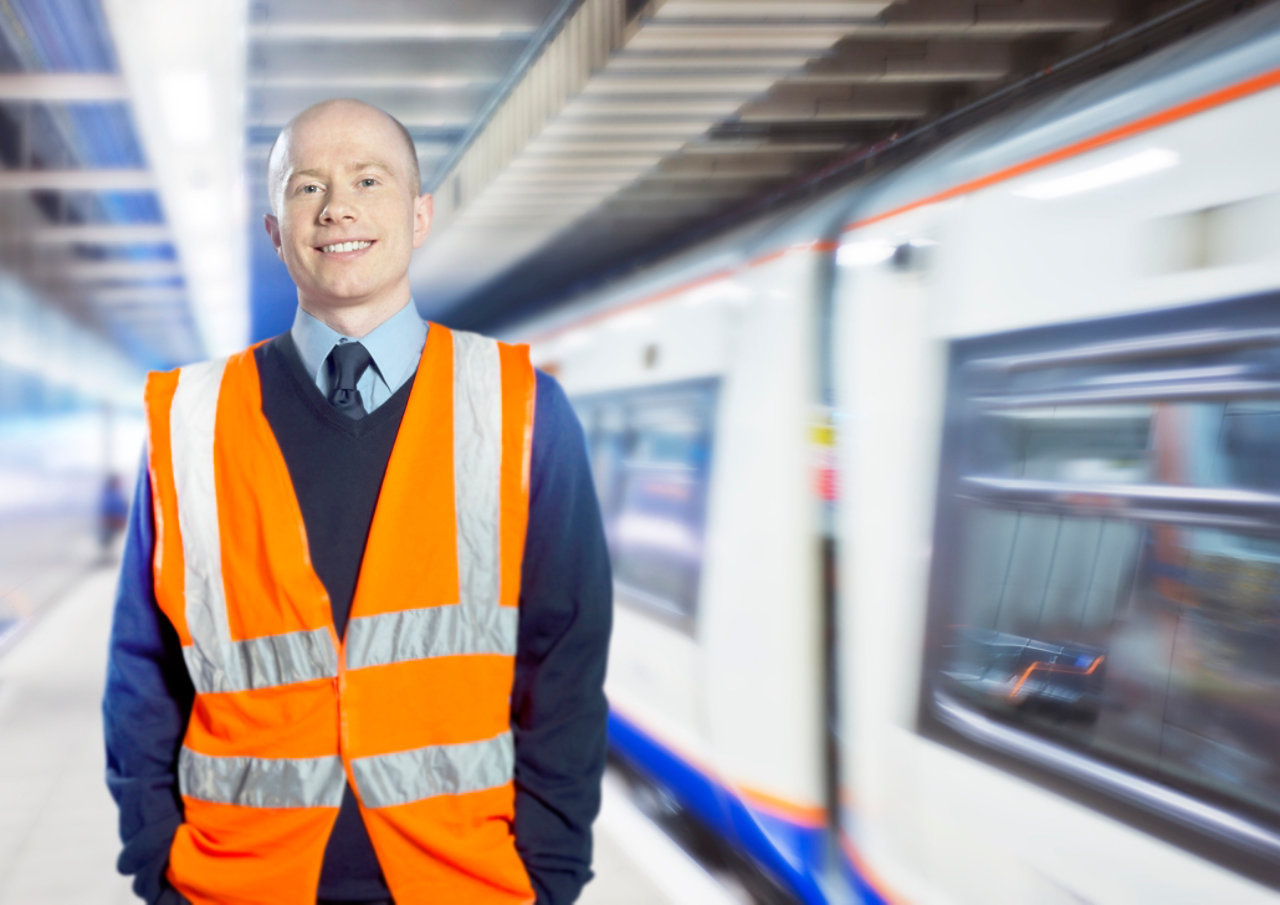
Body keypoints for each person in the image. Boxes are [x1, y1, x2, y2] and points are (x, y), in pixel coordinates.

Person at [102, 98, 613, 905]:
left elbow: (567, 663)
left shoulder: (521, 409)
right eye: (307, 187)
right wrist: (157, 862)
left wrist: (548, 876)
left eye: (368, 180)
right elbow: (142, 667)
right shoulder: (189, 421)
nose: (337, 206)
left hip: (465, 885)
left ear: (419, 214)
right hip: (232, 886)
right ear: (275, 232)